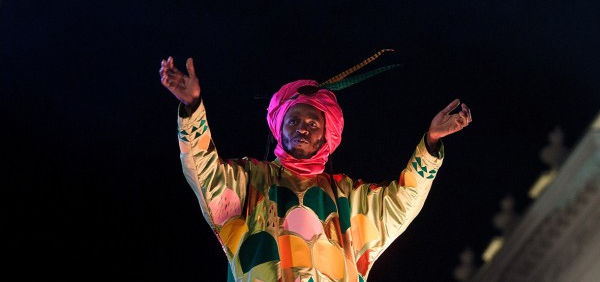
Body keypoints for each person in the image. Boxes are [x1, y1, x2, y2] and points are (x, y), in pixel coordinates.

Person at [159, 55, 472, 282]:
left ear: (327, 133)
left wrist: (430, 144)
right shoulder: (251, 180)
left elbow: (403, 201)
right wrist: (192, 109)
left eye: (312, 123)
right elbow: (203, 171)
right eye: (293, 121)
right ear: (278, 127)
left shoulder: (348, 196)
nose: (302, 129)